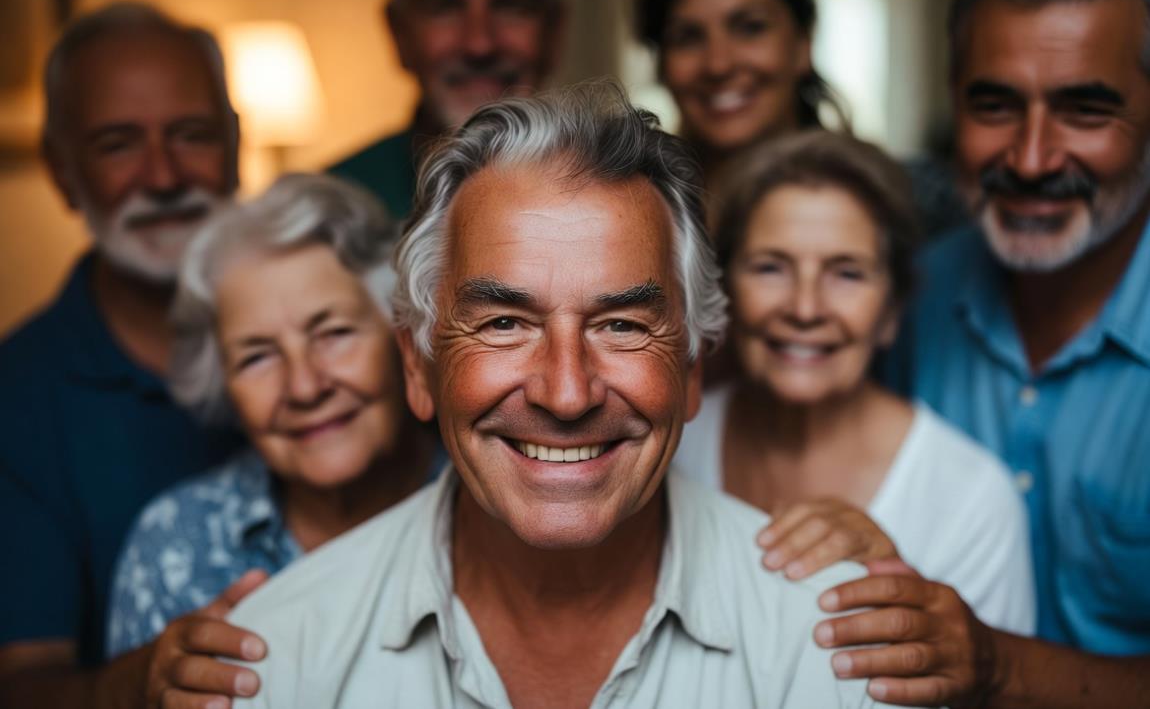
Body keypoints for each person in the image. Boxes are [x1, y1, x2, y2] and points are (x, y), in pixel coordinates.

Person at [226, 82, 888, 708]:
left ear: (691, 368)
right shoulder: (278, 655)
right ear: (418, 366)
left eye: (622, 325)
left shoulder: (838, 649)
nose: (568, 394)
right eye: (505, 323)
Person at [810, 0, 1150, 705]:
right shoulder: (907, 298)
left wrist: (998, 664)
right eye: (994, 105)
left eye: (1085, 108)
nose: (1031, 157)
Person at [0, 2, 266, 707]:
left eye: (192, 135)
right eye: (119, 144)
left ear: (237, 145)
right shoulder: (17, 397)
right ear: (62, 169)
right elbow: (19, 683)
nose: (164, 174)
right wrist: (151, 677)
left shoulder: (338, 338)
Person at [676, 130, 1034, 633]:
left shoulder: (972, 502)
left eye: (846, 273)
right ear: (724, 293)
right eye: (770, 267)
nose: (805, 309)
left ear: (892, 310)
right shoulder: (671, 446)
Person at [106, 173, 443, 659]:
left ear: (403, 340)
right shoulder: (174, 547)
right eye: (257, 357)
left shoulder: (492, 506)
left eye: (333, 333)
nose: (305, 387)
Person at [328, 0, 564, 218]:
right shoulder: (326, 216)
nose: (480, 44)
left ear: (555, 31)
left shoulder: (616, 200)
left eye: (512, 6)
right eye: (443, 8)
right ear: (398, 33)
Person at [635, 0, 844, 224]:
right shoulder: (637, 216)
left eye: (750, 27)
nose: (718, 65)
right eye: (687, 37)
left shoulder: (880, 209)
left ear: (803, 42)